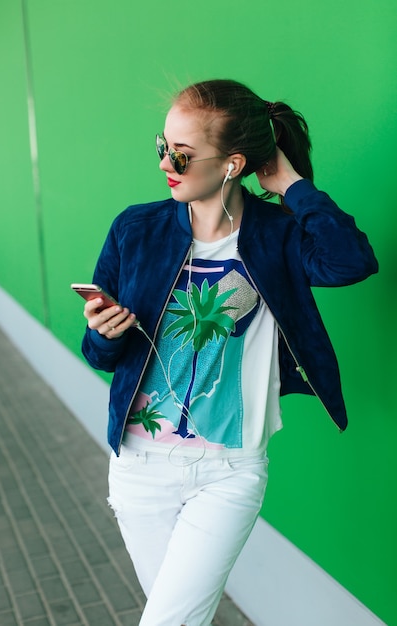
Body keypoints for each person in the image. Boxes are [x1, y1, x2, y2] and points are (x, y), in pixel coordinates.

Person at [80, 79, 378, 626]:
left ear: (233, 163)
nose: (167, 163)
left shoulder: (279, 237)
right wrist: (104, 332)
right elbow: (99, 355)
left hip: (229, 471)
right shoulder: (135, 229)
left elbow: (349, 262)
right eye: (162, 146)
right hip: (139, 469)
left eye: (183, 154)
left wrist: (289, 184)